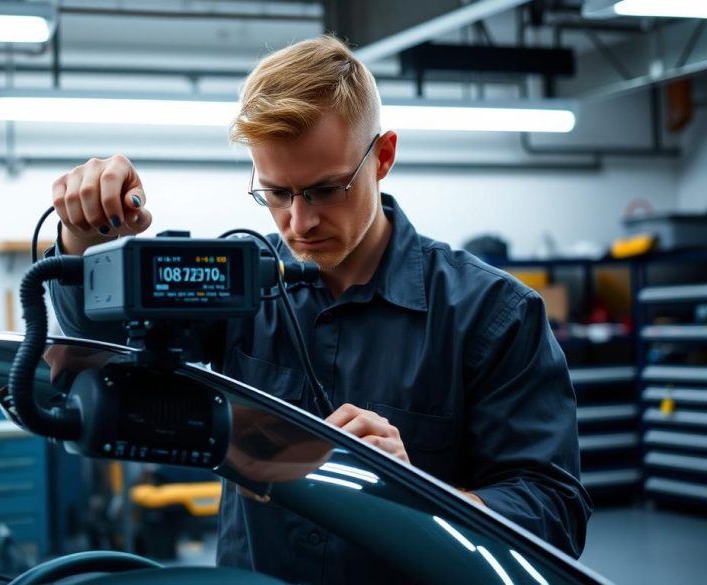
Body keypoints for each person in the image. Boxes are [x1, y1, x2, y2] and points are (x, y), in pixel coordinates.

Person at [44, 35, 591, 583]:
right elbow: (109, 358)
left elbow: (554, 511)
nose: (299, 223)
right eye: (277, 193)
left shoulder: (493, 314)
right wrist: (81, 238)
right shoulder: (238, 283)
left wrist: (423, 498)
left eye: (327, 190)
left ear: (383, 157)